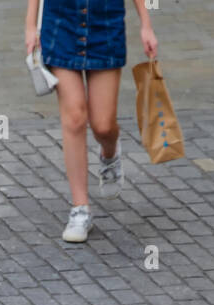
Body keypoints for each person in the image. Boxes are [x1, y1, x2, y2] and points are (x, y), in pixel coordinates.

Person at [25, 0, 158, 243]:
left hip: (105, 24)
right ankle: (80, 209)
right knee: (75, 118)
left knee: (103, 125)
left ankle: (110, 151)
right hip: (61, 24)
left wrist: (146, 25)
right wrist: (30, 26)